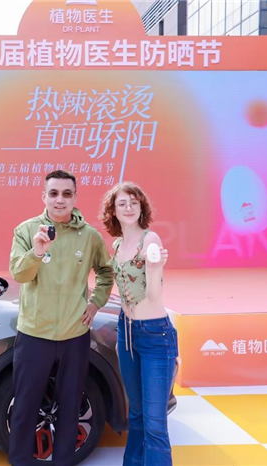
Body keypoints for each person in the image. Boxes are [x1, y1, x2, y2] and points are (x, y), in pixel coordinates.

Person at [9, 170, 114, 466]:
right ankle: (20, 461)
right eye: (53, 193)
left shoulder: (90, 236)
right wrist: (37, 252)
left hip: (74, 335)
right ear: (44, 196)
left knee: (70, 405)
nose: (60, 200)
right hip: (34, 334)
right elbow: (19, 274)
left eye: (67, 194)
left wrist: (95, 303)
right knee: (25, 405)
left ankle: (64, 461)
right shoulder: (27, 230)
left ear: (75, 197)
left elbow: (106, 273)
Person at [98, 181, 177, 466]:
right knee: (136, 415)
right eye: (122, 203)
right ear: (113, 211)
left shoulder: (150, 240)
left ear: (141, 207)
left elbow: (154, 295)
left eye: (134, 202)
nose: (129, 208)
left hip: (155, 334)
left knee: (155, 423)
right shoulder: (118, 244)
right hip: (127, 332)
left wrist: (155, 268)